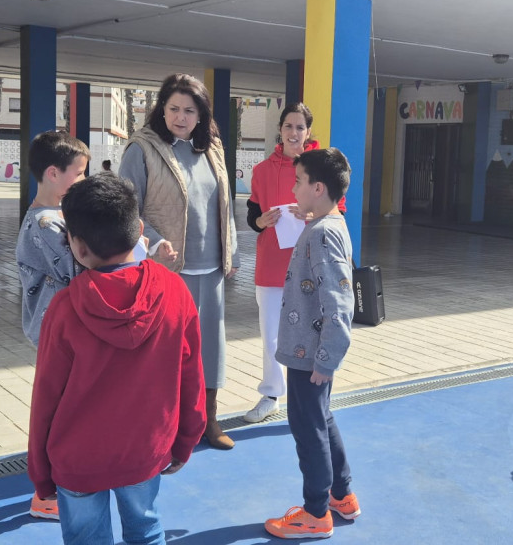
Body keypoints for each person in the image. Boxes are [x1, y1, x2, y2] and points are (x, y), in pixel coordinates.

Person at [28, 173, 206, 544]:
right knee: (146, 529)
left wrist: (41, 472)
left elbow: (46, 396)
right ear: (139, 228)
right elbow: (191, 376)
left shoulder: (64, 308)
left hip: (78, 459)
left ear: (77, 246)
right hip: (145, 450)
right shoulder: (175, 291)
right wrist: (186, 439)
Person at [119, 73, 239, 450]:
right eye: (174, 108)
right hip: (170, 269)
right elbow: (127, 207)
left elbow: (225, 204)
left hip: (213, 269)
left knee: (211, 349)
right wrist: (154, 244)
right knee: (169, 352)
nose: (181, 117)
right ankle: (166, 430)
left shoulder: (213, 149)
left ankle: (209, 420)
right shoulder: (142, 149)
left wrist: (230, 250)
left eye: (190, 110)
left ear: (202, 114)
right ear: (162, 109)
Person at [264, 148, 360, 540]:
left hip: (310, 355)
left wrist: (326, 358)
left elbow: (339, 303)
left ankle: (316, 512)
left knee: (308, 428)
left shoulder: (323, 234)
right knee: (322, 419)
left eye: (299, 180)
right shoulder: (324, 223)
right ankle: (342, 495)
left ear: (318, 188)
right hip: (309, 350)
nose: (293, 186)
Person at [244, 103, 345, 423]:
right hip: (272, 264)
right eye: (288, 126)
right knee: (271, 333)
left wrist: (312, 214)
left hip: (312, 264)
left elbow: (338, 212)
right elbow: (251, 217)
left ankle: (317, 396)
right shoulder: (261, 171)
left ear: (309, 132)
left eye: (300, 127)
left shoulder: (322, 167)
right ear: (280, 129)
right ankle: (271, 393)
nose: (293, 132)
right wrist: (262, 220)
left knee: (316, 329)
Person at [15, 130, 90, 521]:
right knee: (55, 411)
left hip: (60, 332)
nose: (82, 181)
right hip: (55, 333)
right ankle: (46, 491)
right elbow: (79, 272)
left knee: (62, 407)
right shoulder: (45, 225)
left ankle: (56, 482)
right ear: (52, 173)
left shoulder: (54, 217)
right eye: (78, 174)